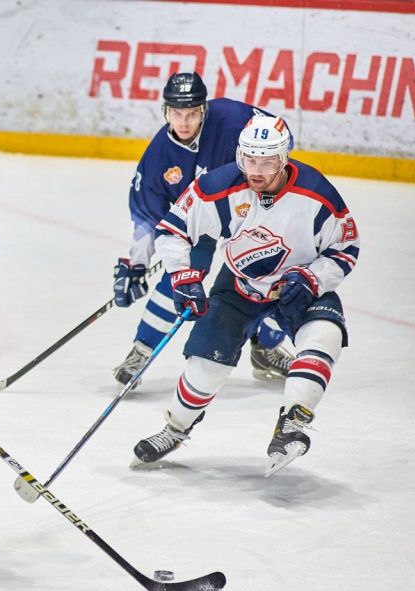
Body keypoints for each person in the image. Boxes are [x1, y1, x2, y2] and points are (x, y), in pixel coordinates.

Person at [131, 115, 359, 476]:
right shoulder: (219, 186)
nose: (256, 170)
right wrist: (182, 276)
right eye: (249, 159)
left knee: (325, 335)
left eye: (267, 162)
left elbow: (345, 247)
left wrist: (314, 279)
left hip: (300, 286)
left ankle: (292, 425)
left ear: (284, 159)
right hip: (239, 285)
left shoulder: (317, 194)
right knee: (206, 366)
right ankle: (175, 429)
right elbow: (173, 229)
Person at [112, 72, 295, 388]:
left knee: (260, 268)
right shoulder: (157, 158)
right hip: (195, 218)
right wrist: (137, 264)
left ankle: (266, 345)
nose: (184, 122)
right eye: (177, 113)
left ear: (204, 110)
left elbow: (282, 137)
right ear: (165, 111)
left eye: (193, 113)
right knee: (184, 272)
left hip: (246, 206)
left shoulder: (232, 118)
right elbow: (147, 218)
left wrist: (258, 174)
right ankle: (140, 352)